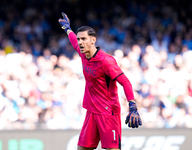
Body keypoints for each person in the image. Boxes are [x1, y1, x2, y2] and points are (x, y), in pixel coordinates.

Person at [58, 12, 142, 150]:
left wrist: (132, 106)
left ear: (93, 40)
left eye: (84, 39)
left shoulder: (106, 61)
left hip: (108, 113)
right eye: (79, 39)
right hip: (91, 111)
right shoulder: (83, 54)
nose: (80, 42)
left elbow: (125, 82)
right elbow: (73, 41)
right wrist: (67, 29)